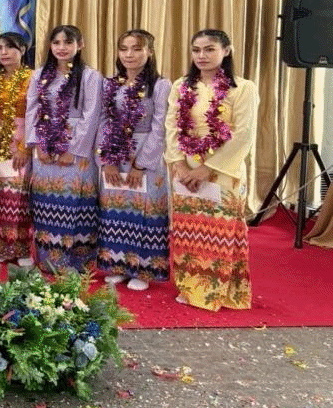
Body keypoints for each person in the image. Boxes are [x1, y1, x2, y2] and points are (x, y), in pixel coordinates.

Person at [165, 29, 258, 311]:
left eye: (209, 49)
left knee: (221, 231)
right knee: (189, 230)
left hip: (223, 169)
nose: (201, 56)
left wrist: (207, 170)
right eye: (196, 50)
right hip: (186, 169)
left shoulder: (242, 88)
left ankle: (220, 291)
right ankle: (190, 287)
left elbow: (243, 134)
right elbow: (172, 126)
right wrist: (179, 164)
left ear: (226, 51)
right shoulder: (182, 85)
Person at [95, 30, 171, 290]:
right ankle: (117, 264)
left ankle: (144, 270)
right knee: (116, 210)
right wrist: (107, 159)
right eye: (124, 48)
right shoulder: (110, 84)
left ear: (150, 52)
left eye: (137, 49)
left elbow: (160, 127)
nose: (129, 54)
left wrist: (141, 164)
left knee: (145, 211)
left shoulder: (160, 85)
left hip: (146, 155)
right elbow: (103, 122)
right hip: (114, 154)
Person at [24, 24, 103, 272]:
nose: (62, 48)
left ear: (80, 45)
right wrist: (38, 144)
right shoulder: (39, 75)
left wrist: (74, 149)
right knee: (46, 205)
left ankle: (78, 263)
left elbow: (91, 115)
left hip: (76, 150)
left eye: (68, 42)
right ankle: (48, 261)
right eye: (56, 42)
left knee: (76, 206)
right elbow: (32, 110)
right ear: (50, 46)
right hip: (45, 147)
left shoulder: (90, 76)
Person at [0, 32, 34, 266]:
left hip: (22, 143)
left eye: (9, 47)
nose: (3, 53)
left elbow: (37, 116)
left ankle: (22, 249)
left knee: (20, 199)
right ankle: (1, 247)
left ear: (22, 50)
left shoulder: (33, 78)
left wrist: (25, 148)